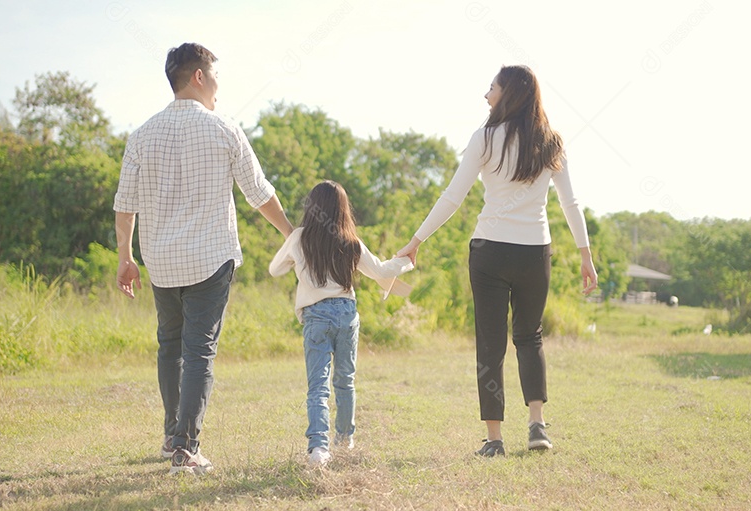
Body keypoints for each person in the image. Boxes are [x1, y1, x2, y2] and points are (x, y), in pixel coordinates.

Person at [397, 65, 598, 456]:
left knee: (490, 344)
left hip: (489, 250)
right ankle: (537, 425)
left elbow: (453, 197)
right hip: (534, 251)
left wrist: (416, 240)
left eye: (491, 88)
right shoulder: (551, 141)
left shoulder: (485, 138)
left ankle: (494, 440)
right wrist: (585, 256)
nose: (486, 95)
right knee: (529, 335)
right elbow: (570, 203)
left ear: (508, 94)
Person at [114, 42, 293, 475]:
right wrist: (292, 234)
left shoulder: (142, 135)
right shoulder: (224, 128)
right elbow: (258, 192)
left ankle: (171, 434)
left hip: (161, 261)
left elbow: (125, 205)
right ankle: (185, 449)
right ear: (199, 76)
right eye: (215, 76)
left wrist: (126, 257)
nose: (218, 87)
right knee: (199, 352)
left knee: (170, 345)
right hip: (210, 259)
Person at [269, 180, 413, 467]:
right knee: (345, 381)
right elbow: (382, 271)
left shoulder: (298, 238)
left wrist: (294, 260)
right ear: (343, 210)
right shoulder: (351, 243)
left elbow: (275, 269)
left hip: (316, 317)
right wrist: (406, 260)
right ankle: (345, 439)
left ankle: (319, 448)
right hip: (347, 314)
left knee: (318, 386)